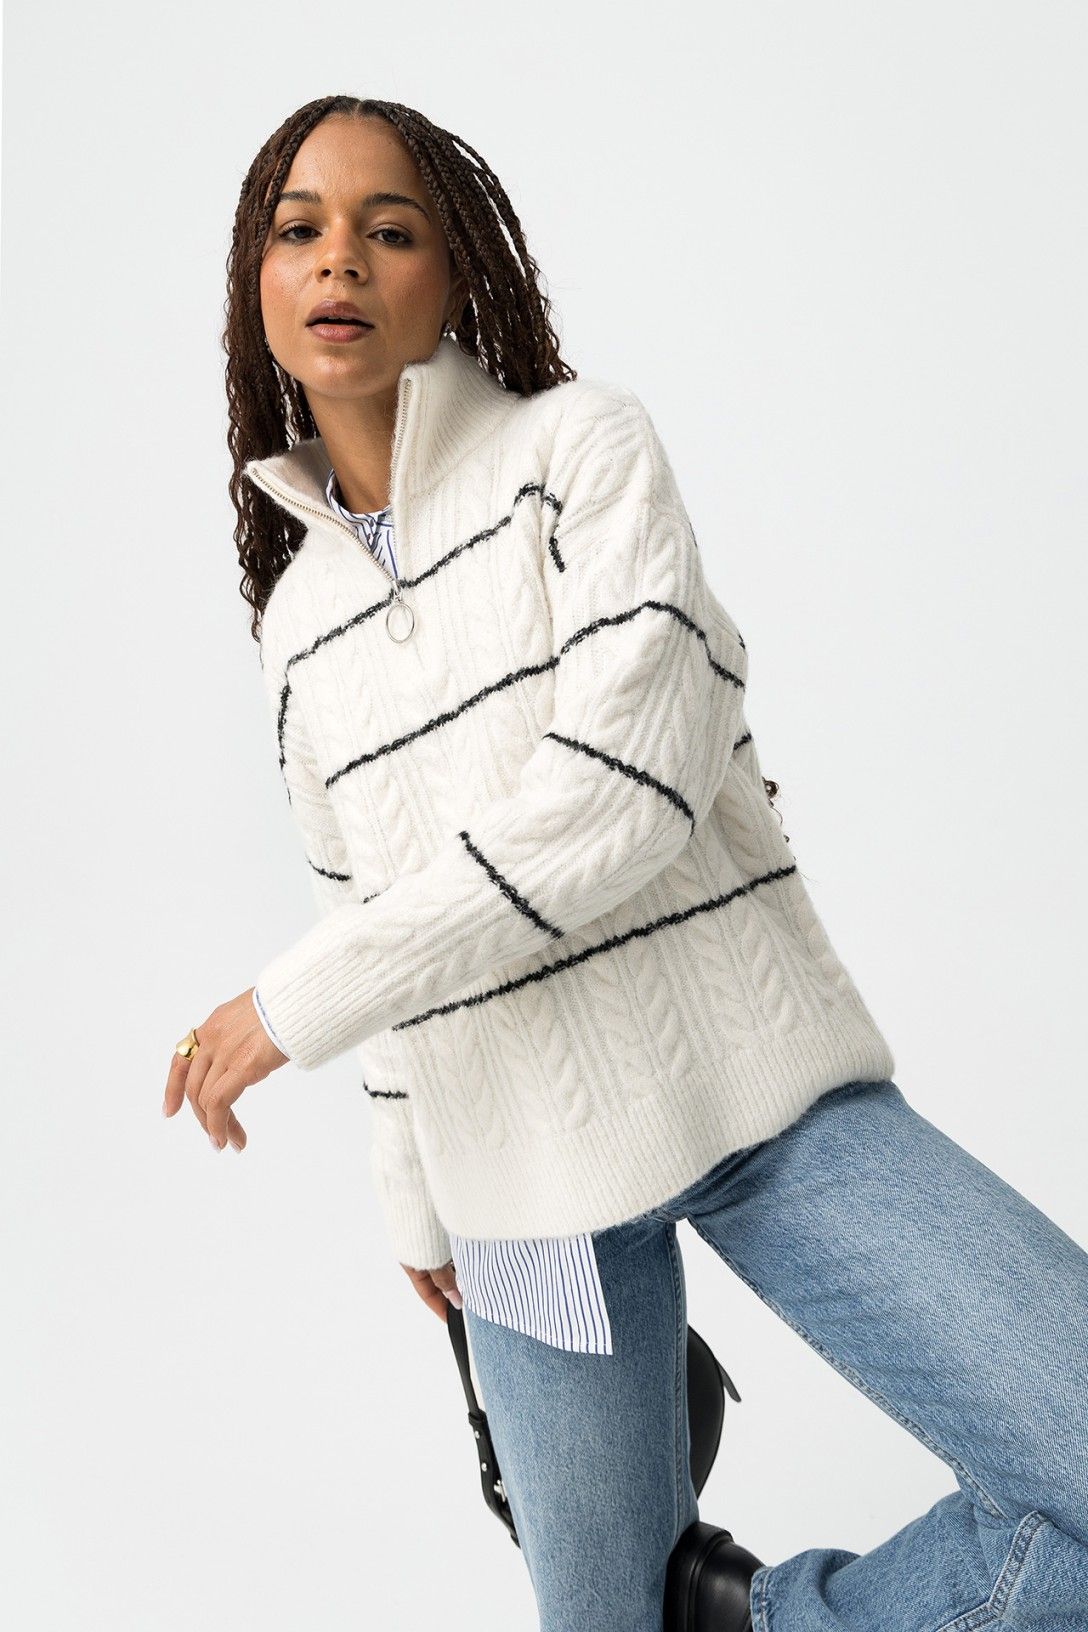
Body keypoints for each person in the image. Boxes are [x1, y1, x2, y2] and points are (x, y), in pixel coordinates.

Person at [163, 94, 1088, 1632]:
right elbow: (366, 908)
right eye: (298, 230)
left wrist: (284, 1008)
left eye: (389, 229)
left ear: (455, 275)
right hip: (521, 1196)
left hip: (760, 1099)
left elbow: (619, 797)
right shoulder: (298, 626)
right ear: (254, 289)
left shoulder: (579, 452)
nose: (339, 261)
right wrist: (416, 1202)